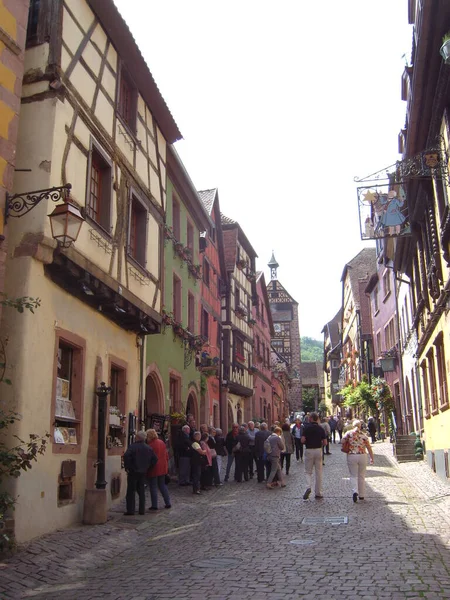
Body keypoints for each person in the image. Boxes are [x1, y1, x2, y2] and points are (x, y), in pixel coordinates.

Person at [123, 430, 157, 515]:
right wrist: (148, 467)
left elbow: (126, 456)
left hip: (133, 472)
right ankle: (142, 510)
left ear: (137, 437)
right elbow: (155, 459)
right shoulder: (148, 448)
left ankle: (130, 510)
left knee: (131, 491)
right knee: (141, 491)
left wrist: (128, 467)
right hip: (143, 472)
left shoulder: (133, 447)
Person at [343, 419, 374, 502]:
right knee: (361, 475)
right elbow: (368, 447)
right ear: (360, 426)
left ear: (353, 426)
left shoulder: (348, 434)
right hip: (362, 455)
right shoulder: (364, 435)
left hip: (352, 455)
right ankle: (362, 495)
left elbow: (342, 441)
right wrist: (371, 457)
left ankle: (355, 491)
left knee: (353, 475)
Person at [301, 412, 327, 500]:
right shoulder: (321, 428)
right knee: (318, 472)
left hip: (309, 450)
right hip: (318, 450)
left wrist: (307, 440)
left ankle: (308, 487)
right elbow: (325, 442)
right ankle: (318, 492)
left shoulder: (307, 428)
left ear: (311, 419)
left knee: (308, 471)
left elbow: (302, 440)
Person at [146, 429, 171, 510]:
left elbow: (149, 458)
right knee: (162, 485)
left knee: (153, 486)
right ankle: (168, 503)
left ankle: (154, 505)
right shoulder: (161, 442)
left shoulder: (150, 445)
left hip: (154, 468)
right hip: (163, 467)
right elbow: (166, 455)